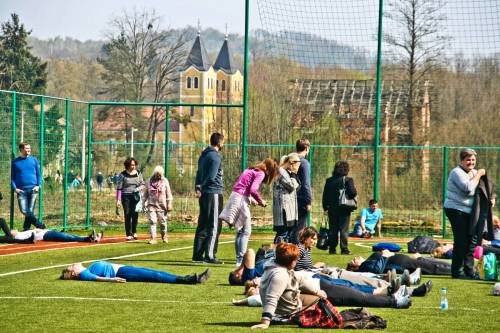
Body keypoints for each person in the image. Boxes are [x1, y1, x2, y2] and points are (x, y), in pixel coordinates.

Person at [220, 158, 279, 266]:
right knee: (246, 231)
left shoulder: (250, 170)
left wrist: (251, 199)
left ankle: (239, 259)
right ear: (270, 170)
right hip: (240, 200)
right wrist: (260, 200)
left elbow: (241, 187)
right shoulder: (261, 173)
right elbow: (253, 189)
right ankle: (241, 260)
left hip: (235, 196)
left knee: (240, 230)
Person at [443, 148, 487, 279]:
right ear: (461, 160)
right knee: (461, 241)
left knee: (471, 242)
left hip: (470, 212)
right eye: (468, 159)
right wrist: (479, 174)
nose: (471, 162)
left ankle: (469, 271)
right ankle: (457, 271)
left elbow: (484, 188)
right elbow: (468, 189)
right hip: (456, 210)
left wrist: (491, 197)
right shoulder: (456, 172)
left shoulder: (473, 172)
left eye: (473, 159)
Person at [192, 133, 225, 264]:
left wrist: (198, 187)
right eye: (223, 142)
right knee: (215, 225)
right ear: (220, 142)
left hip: (205, 194)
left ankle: (197, 255)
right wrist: (202, 185)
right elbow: (211, 177)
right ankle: (210, 255)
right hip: (214, 193)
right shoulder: (215, 156)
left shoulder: (203, 155)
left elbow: (198, 173)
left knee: (203, 224)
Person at [60, 261, 211, 284]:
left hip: (123, 269)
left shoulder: (84, 269)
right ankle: (189, 279)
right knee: (154, 276)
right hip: (123, 273)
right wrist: (113, 280)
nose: (73, 265)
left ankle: (186, 278)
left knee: (154, 273)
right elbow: (97, 278)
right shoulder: (84, 274)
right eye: (71, 268)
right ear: (73, 273)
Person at [322, 160, 357, 255]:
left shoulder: (329, 180)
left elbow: (325, 195)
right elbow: (353, 193)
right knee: (343, 230)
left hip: (332, 209)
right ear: (346, 169)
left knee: (333, 230)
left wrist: (325, 207)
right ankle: (344, 249)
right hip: (344, 209)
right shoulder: (348, 180)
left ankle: (332, 248)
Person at [11, 142, 46, 230]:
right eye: (26, 148)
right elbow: (12, 178)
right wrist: (15, 189)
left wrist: (39, 186)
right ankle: (40, 225)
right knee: (25, 211)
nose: (29, 150)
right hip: (21, 191)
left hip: (33, 189)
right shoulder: (15, 162)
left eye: (29, 148)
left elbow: (39, 174)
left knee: (30, 212)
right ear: (21, 150)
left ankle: (26, 229)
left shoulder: (34, 160)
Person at [347, 249, 451, 277]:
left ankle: (455, 268)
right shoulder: (365, 266)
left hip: (408, 260)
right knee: (434, 267)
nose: (355, 257)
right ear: (355, 267)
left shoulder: (368, 260)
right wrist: (384, 255)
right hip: (405, 265)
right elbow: (376, 270)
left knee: (434, 262)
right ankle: (455, 271)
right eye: (353, 260)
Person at [272, 153, 301, 244]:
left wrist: (293, 175)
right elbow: (292, 186)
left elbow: (298, 186)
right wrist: (293, 174)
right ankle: (276, 254)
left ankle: (283, 255)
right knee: (283, 234)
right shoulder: (281, 172)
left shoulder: (287, 173)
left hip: (289, 209)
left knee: (287, 234)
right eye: (297, 165)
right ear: (291, 163)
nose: (297, 168)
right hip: (283, 209)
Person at [142, 165, 173, 244]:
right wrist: (143, 202)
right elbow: (145, 194)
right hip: (151, 205)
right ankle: (153, 238)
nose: (159, 176)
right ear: (154, 173)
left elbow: (169, 194)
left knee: (162, 222)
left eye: (160, 174)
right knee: (152, 221)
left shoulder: (165, 181)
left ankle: (164, 236)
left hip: (162, 206)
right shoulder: (149, 181)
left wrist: (169, 204)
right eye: (157, 174)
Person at [116, 157, 145, 240]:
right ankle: (128, 234)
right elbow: (119, 188)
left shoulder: (138, 173)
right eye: (131, 165)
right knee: (127, 214)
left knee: (135, 214)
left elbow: (143, 184)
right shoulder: (122, 175)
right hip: (125, 196)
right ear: (127, 165)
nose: (133, 166)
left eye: (134, 165)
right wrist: (118, 200)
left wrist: (138, 189)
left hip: (135, 196)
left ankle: (134, 232)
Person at [290, 139, 312, 244]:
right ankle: (295, 256)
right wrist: (308, 201)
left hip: (288, 198)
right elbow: (306, 184)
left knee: (289, 230)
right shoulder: (304, 163)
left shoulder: (289, 160)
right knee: (299, 230)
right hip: (300, 200)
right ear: (307, 148)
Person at [12, 222, 103, 243]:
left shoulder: (20, 233)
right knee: (67, 237)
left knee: (68, 236)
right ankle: (90, 238)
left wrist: (37, 229)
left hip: (47, 233)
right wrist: (36, 231)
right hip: (45, 235)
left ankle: (91, 238)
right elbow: (31, 238)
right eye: (12, 231)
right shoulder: (18, 237)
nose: (14, 229)